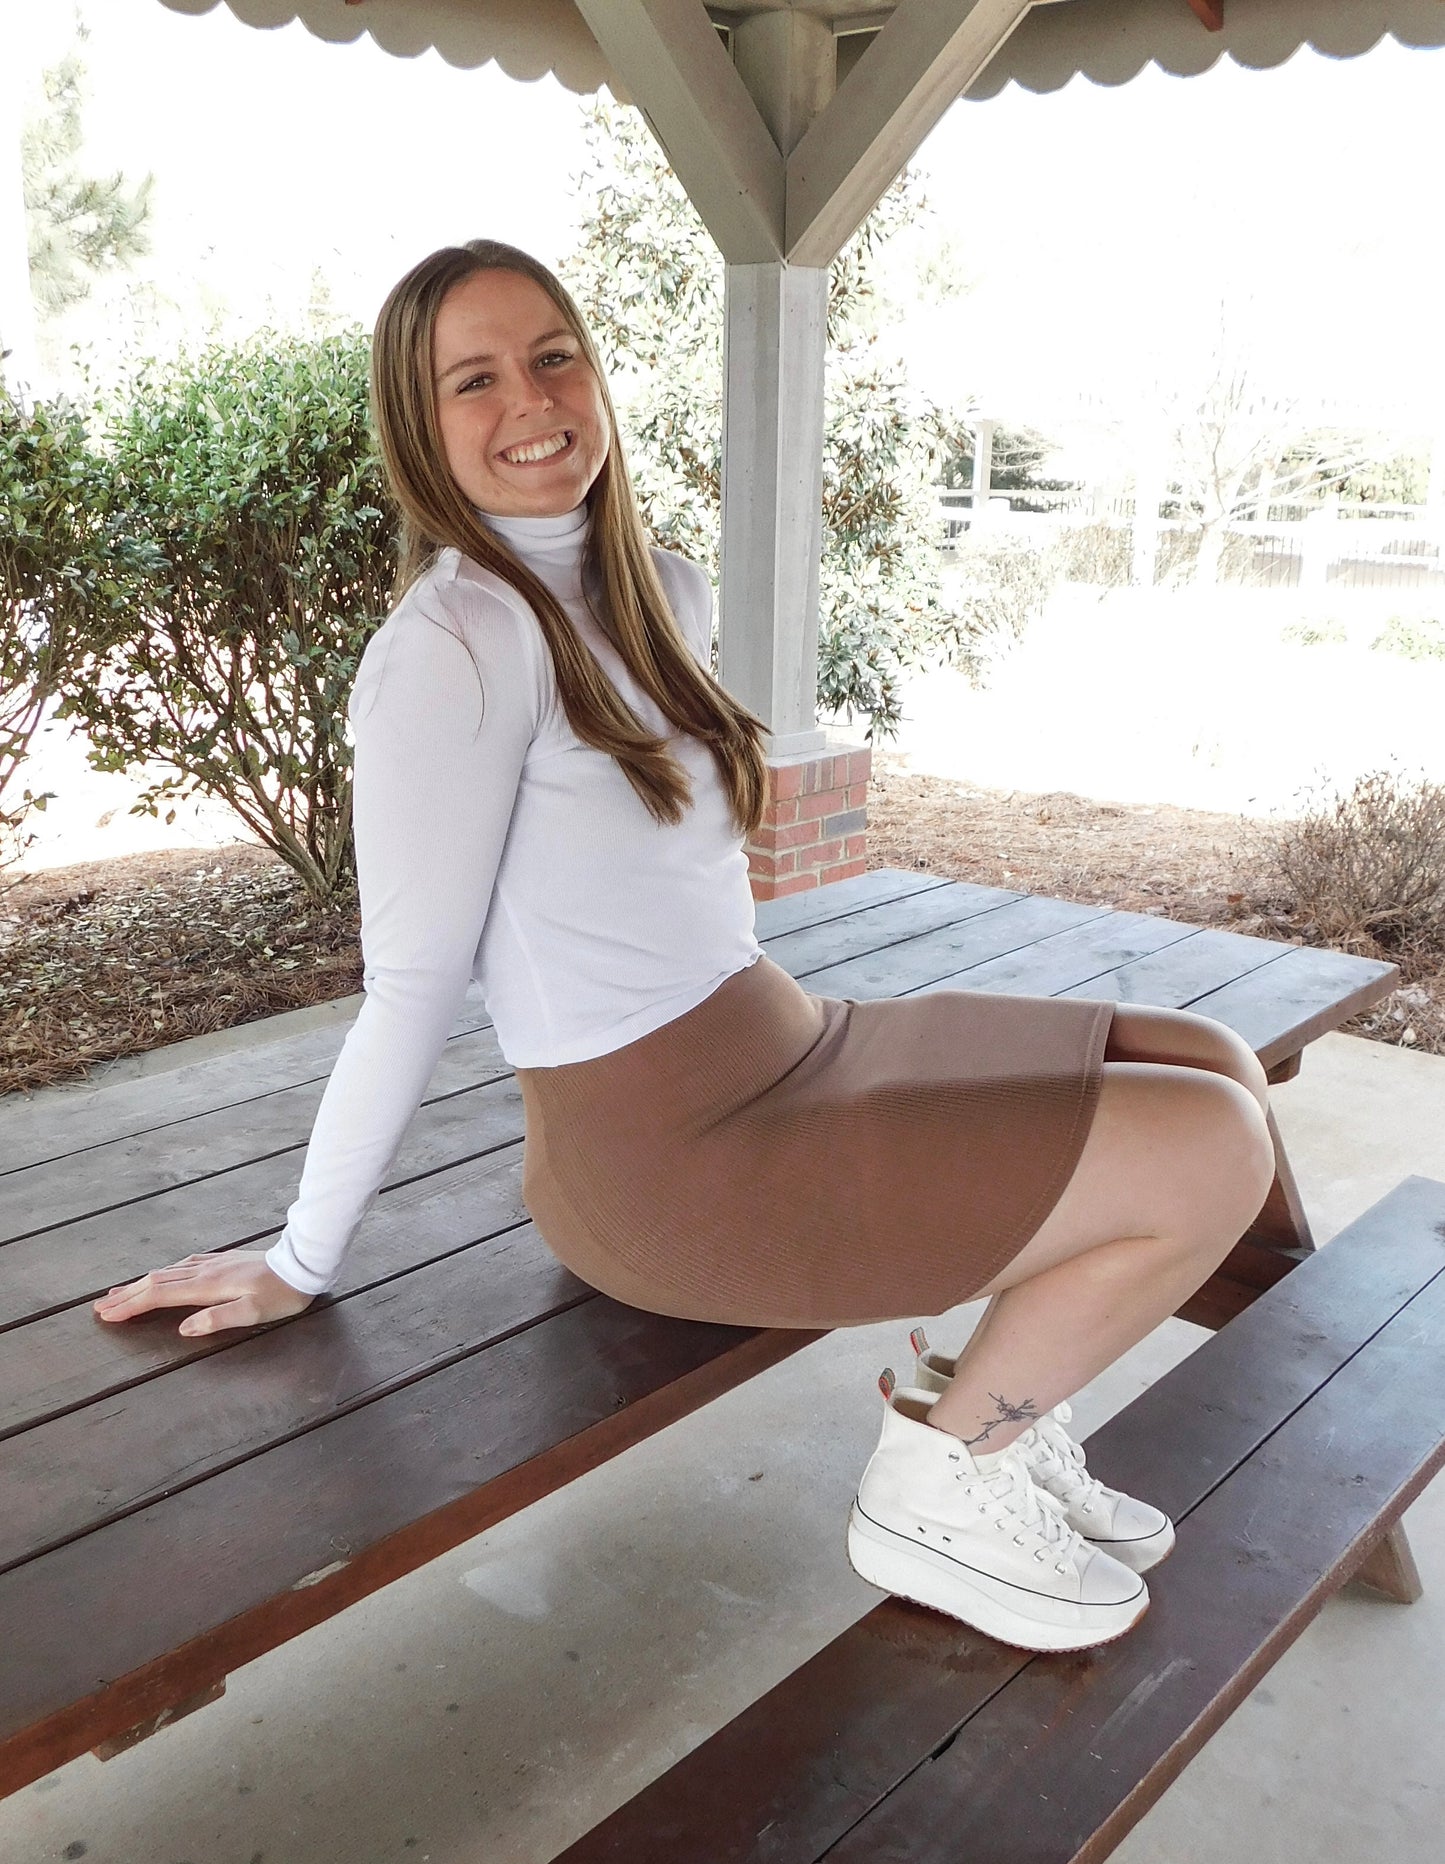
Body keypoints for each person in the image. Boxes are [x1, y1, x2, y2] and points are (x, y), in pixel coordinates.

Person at [93, 239, 1276, 1653]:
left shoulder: (659, 584)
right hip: (660, 1160)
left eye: (551, 353)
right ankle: (939, 1484)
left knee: (1209, 1061)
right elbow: (409, 986)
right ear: (421, 430)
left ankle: (993, 1412)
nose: (529, 399)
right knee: (1206, 1149)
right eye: (472, 379)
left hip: (787, 1041)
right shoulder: (453, 649)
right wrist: (300, 1254)